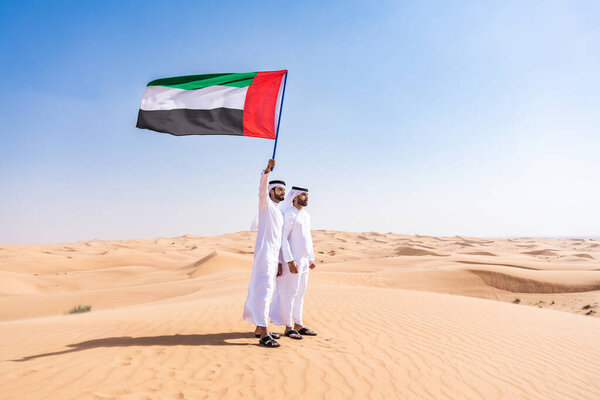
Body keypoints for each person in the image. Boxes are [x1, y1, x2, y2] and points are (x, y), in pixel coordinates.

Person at [242, 159, 286, 348]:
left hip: (272, 256)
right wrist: (266, 173)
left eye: (284, 190)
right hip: (264, 255)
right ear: (271, 191)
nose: (283, 192)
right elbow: (261, 192)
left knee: (267, 291)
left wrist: (278, 261)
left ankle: (259, 328)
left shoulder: (277, 211)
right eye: (280, 190)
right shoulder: (266, 205)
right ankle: (264, 333)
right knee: (264, 291)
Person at [269, 186, 318, 339]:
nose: (306, 197)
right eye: (303, 195)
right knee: (288, 293)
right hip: (291, 262)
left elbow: (307, 238)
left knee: (300, 293)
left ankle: (298, 323)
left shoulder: (306, 215)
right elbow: (283, 238)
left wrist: (311, 258)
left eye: (307, 195)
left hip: (303, 261)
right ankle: (288, 326)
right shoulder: (289, 213)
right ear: (295, 197)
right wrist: (289, 260)